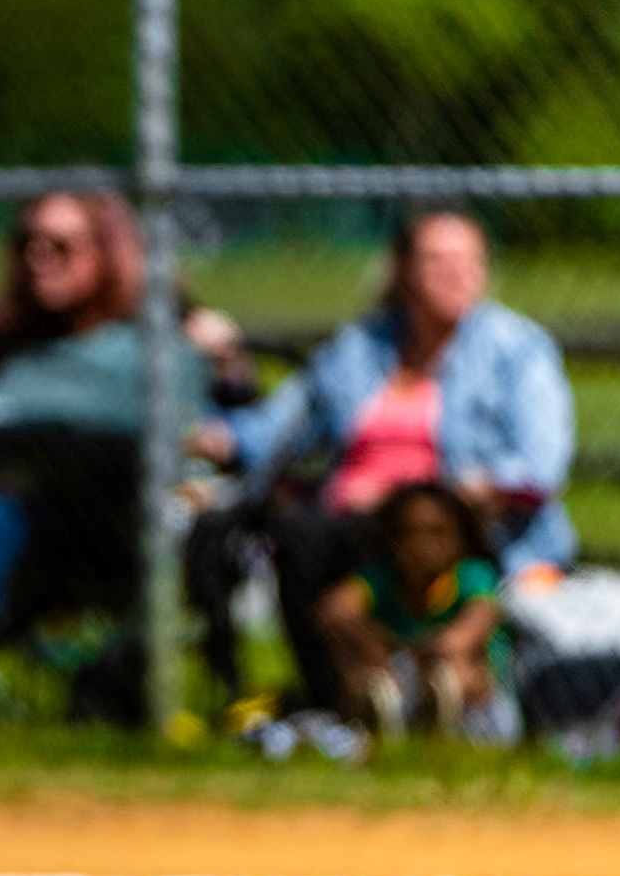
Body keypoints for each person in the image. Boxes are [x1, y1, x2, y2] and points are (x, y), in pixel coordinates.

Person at [0, 192, 242, 718]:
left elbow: (216, 420)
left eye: (61, 246)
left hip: (107, 531)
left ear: (105, 255)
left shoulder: (145, 343)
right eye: (28, 243)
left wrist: (229, 363)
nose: (40, 257)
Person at [186, 210, 575, 712]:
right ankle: (347, 699)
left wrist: (418, 496)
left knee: (412, 529)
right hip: (353, 531)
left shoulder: (517, 350)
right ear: (403, 270)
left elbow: (539, 466)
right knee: (299, 532)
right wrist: (204, 433)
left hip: (455, 531)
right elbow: (275, 430)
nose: (455, 273)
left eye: (468, 261)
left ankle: (416, 690)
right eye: (436, 260)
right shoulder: (359, 349)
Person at [316, 481, 520, 746]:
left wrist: (405, 651)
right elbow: (335, 611)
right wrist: (375, 648)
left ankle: (436, 714)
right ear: (393, 540)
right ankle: (379, 713)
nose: (424, 546)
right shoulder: (381, 580)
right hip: (403, 680)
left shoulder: (473, 576)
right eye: (412, 534)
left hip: (478, 708)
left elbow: (464, 634)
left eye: (437, 533)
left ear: (459, 538)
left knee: (452, 670)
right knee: (365, 673)